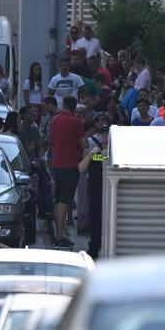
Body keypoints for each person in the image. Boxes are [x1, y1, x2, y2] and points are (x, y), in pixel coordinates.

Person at [49, 96, 84, 248]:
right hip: (70, 165)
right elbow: (83, 143)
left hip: (56, 164)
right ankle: (60, 236)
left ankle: (58, 233)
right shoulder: (76, 122)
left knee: (58, 200)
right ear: (74, 107)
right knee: (65, 201)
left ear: (63, 104)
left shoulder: (55, 120)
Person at [82, 119, 107, 258]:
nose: (104, 137)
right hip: (95, 192)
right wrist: (90, 155)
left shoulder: (115, 154)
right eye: (102, 134)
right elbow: (81, 168)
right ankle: (94, 248)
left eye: (106, 135)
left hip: (109, 194)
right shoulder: (94, 151)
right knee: (95, 221)